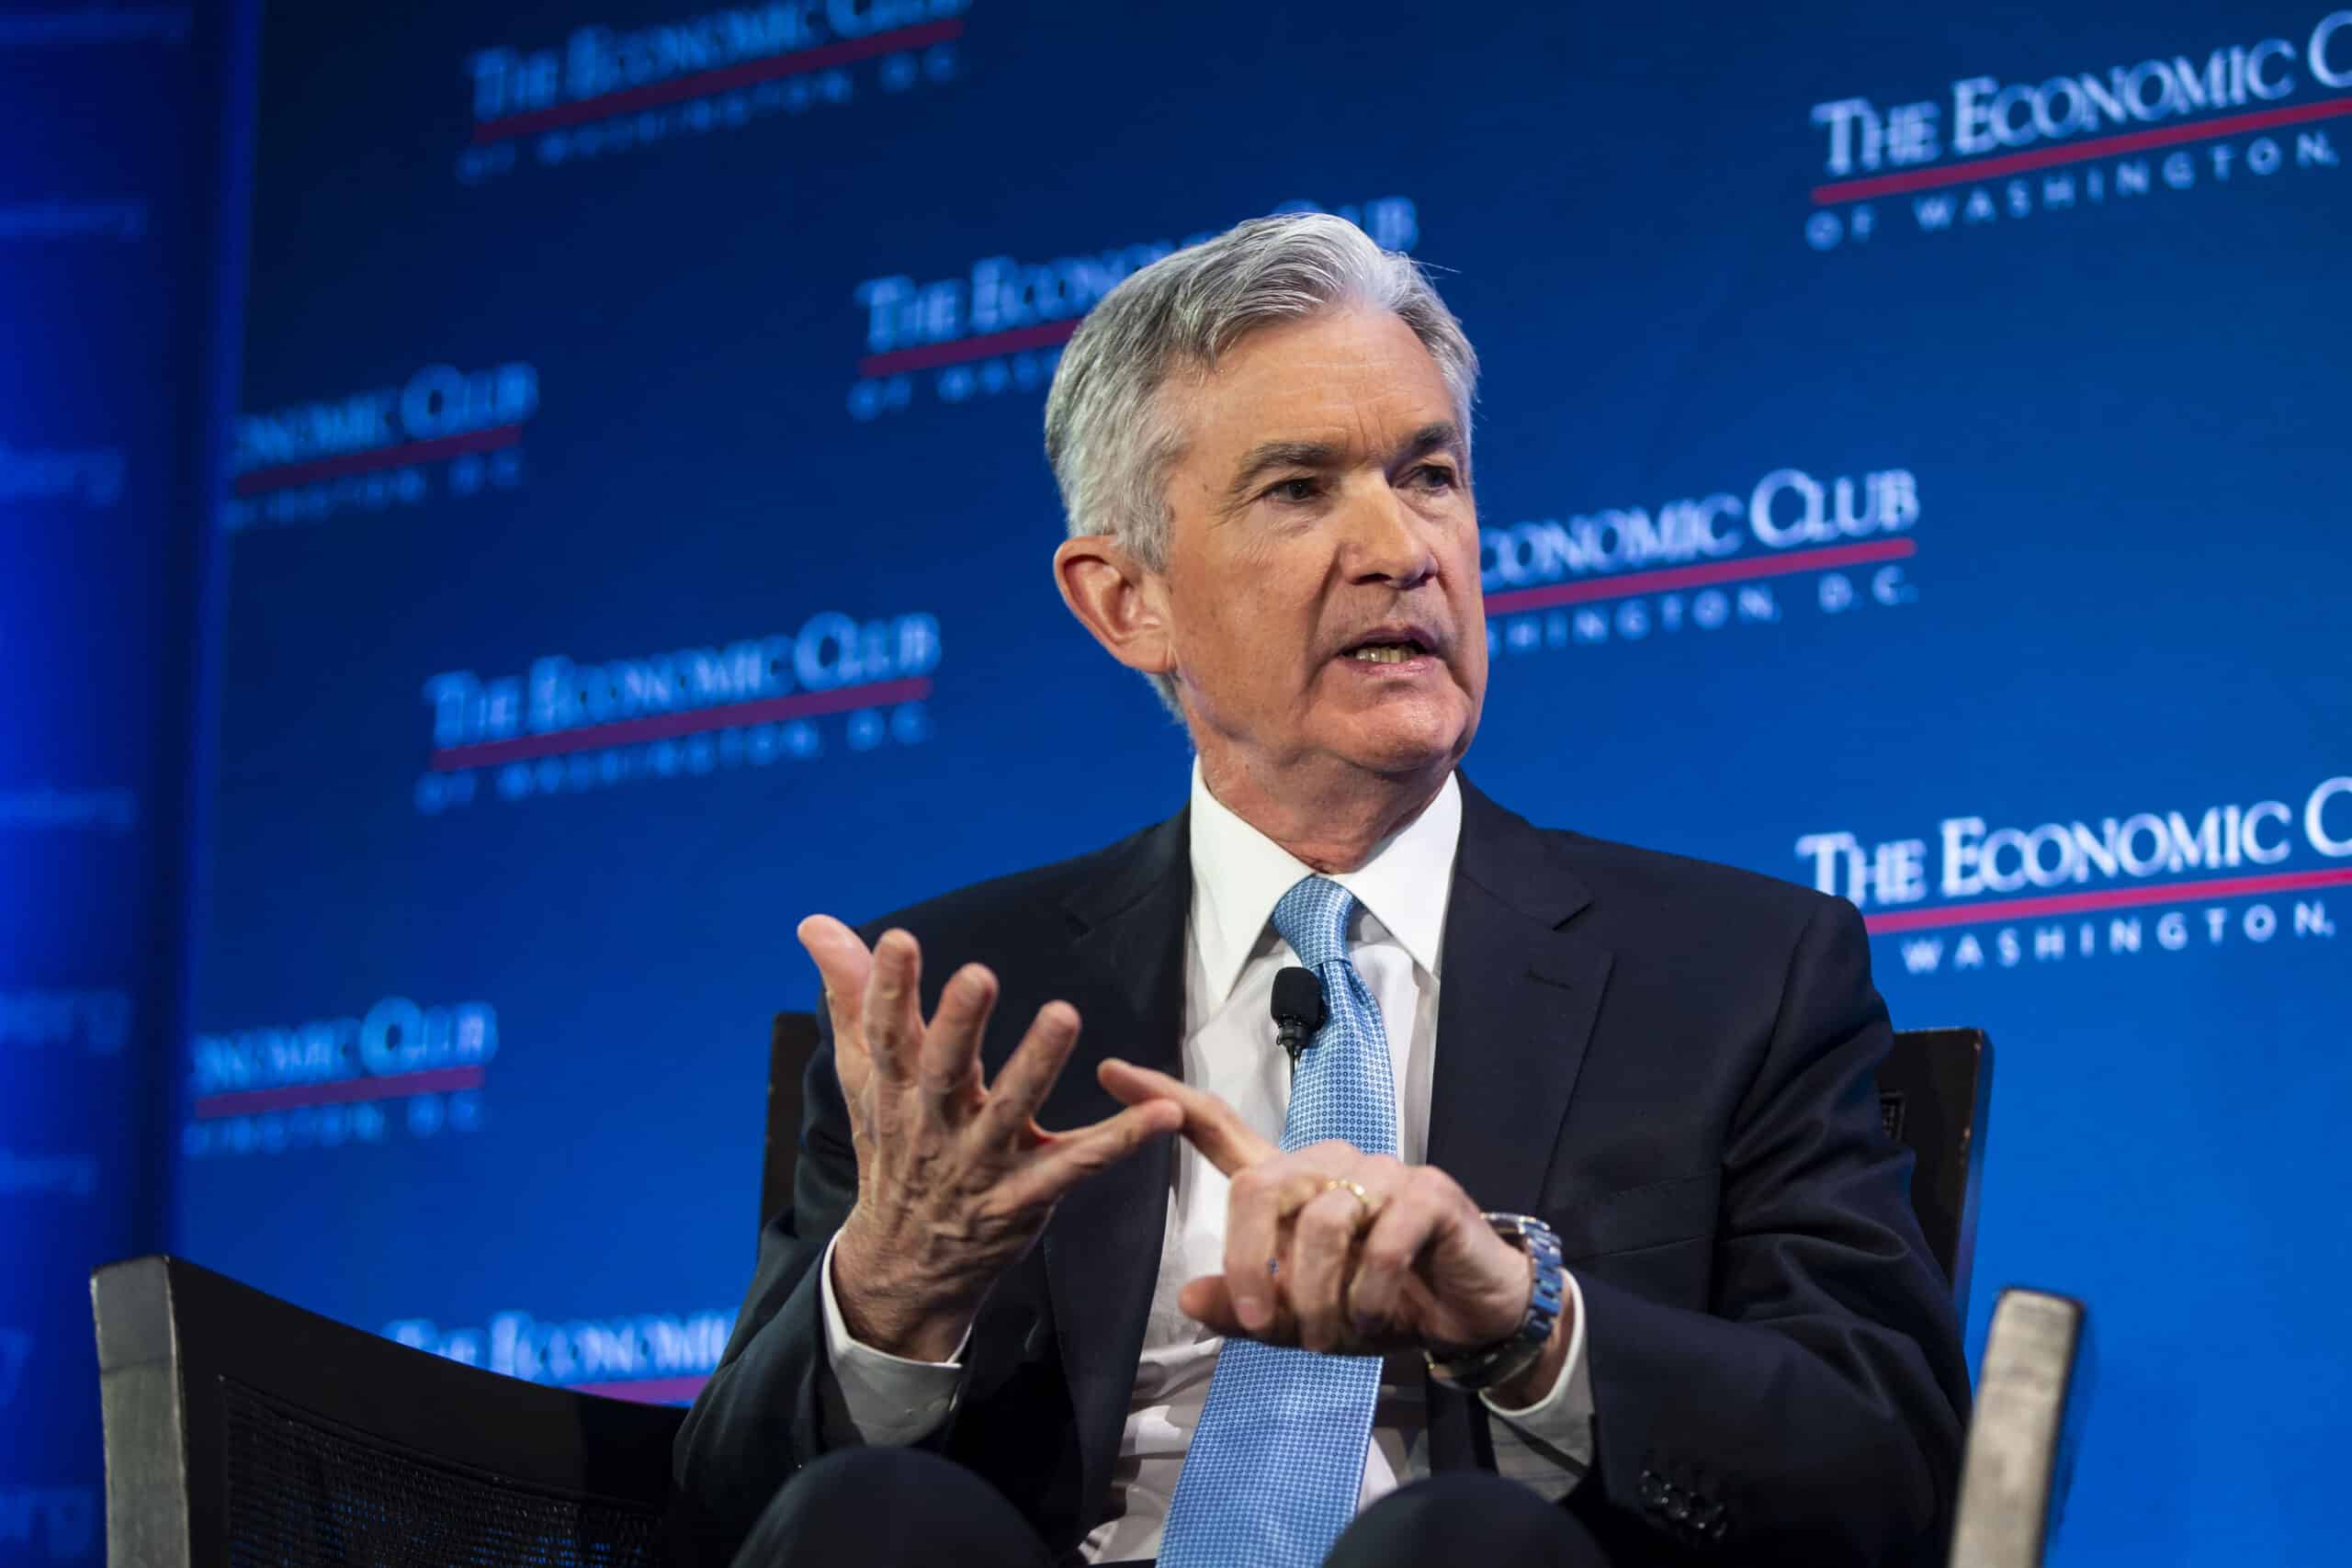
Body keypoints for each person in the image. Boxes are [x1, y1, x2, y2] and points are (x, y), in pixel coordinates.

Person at [673, 213, 1969, 1568]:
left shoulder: (1736, 973)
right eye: (1299, 488)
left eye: (1429, 476)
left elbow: (1882, 1463)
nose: (1400, 548)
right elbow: (724, 1521)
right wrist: (890, 1298)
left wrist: (1527, 1323)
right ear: (1127, 603)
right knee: (873, 1524)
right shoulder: (962, 1006)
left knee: (1458, 1545)